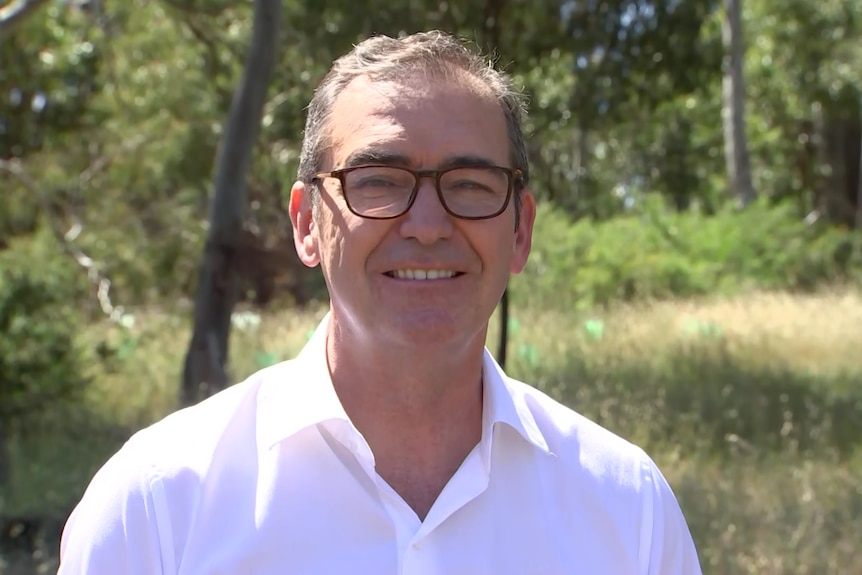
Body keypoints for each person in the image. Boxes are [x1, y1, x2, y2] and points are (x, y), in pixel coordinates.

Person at [57, 30, 703, 573]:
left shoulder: (628, 510)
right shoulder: (156, 508)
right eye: (379, 181)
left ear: (521, 230)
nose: (427, 223)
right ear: (307, 222)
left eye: (471, 185)